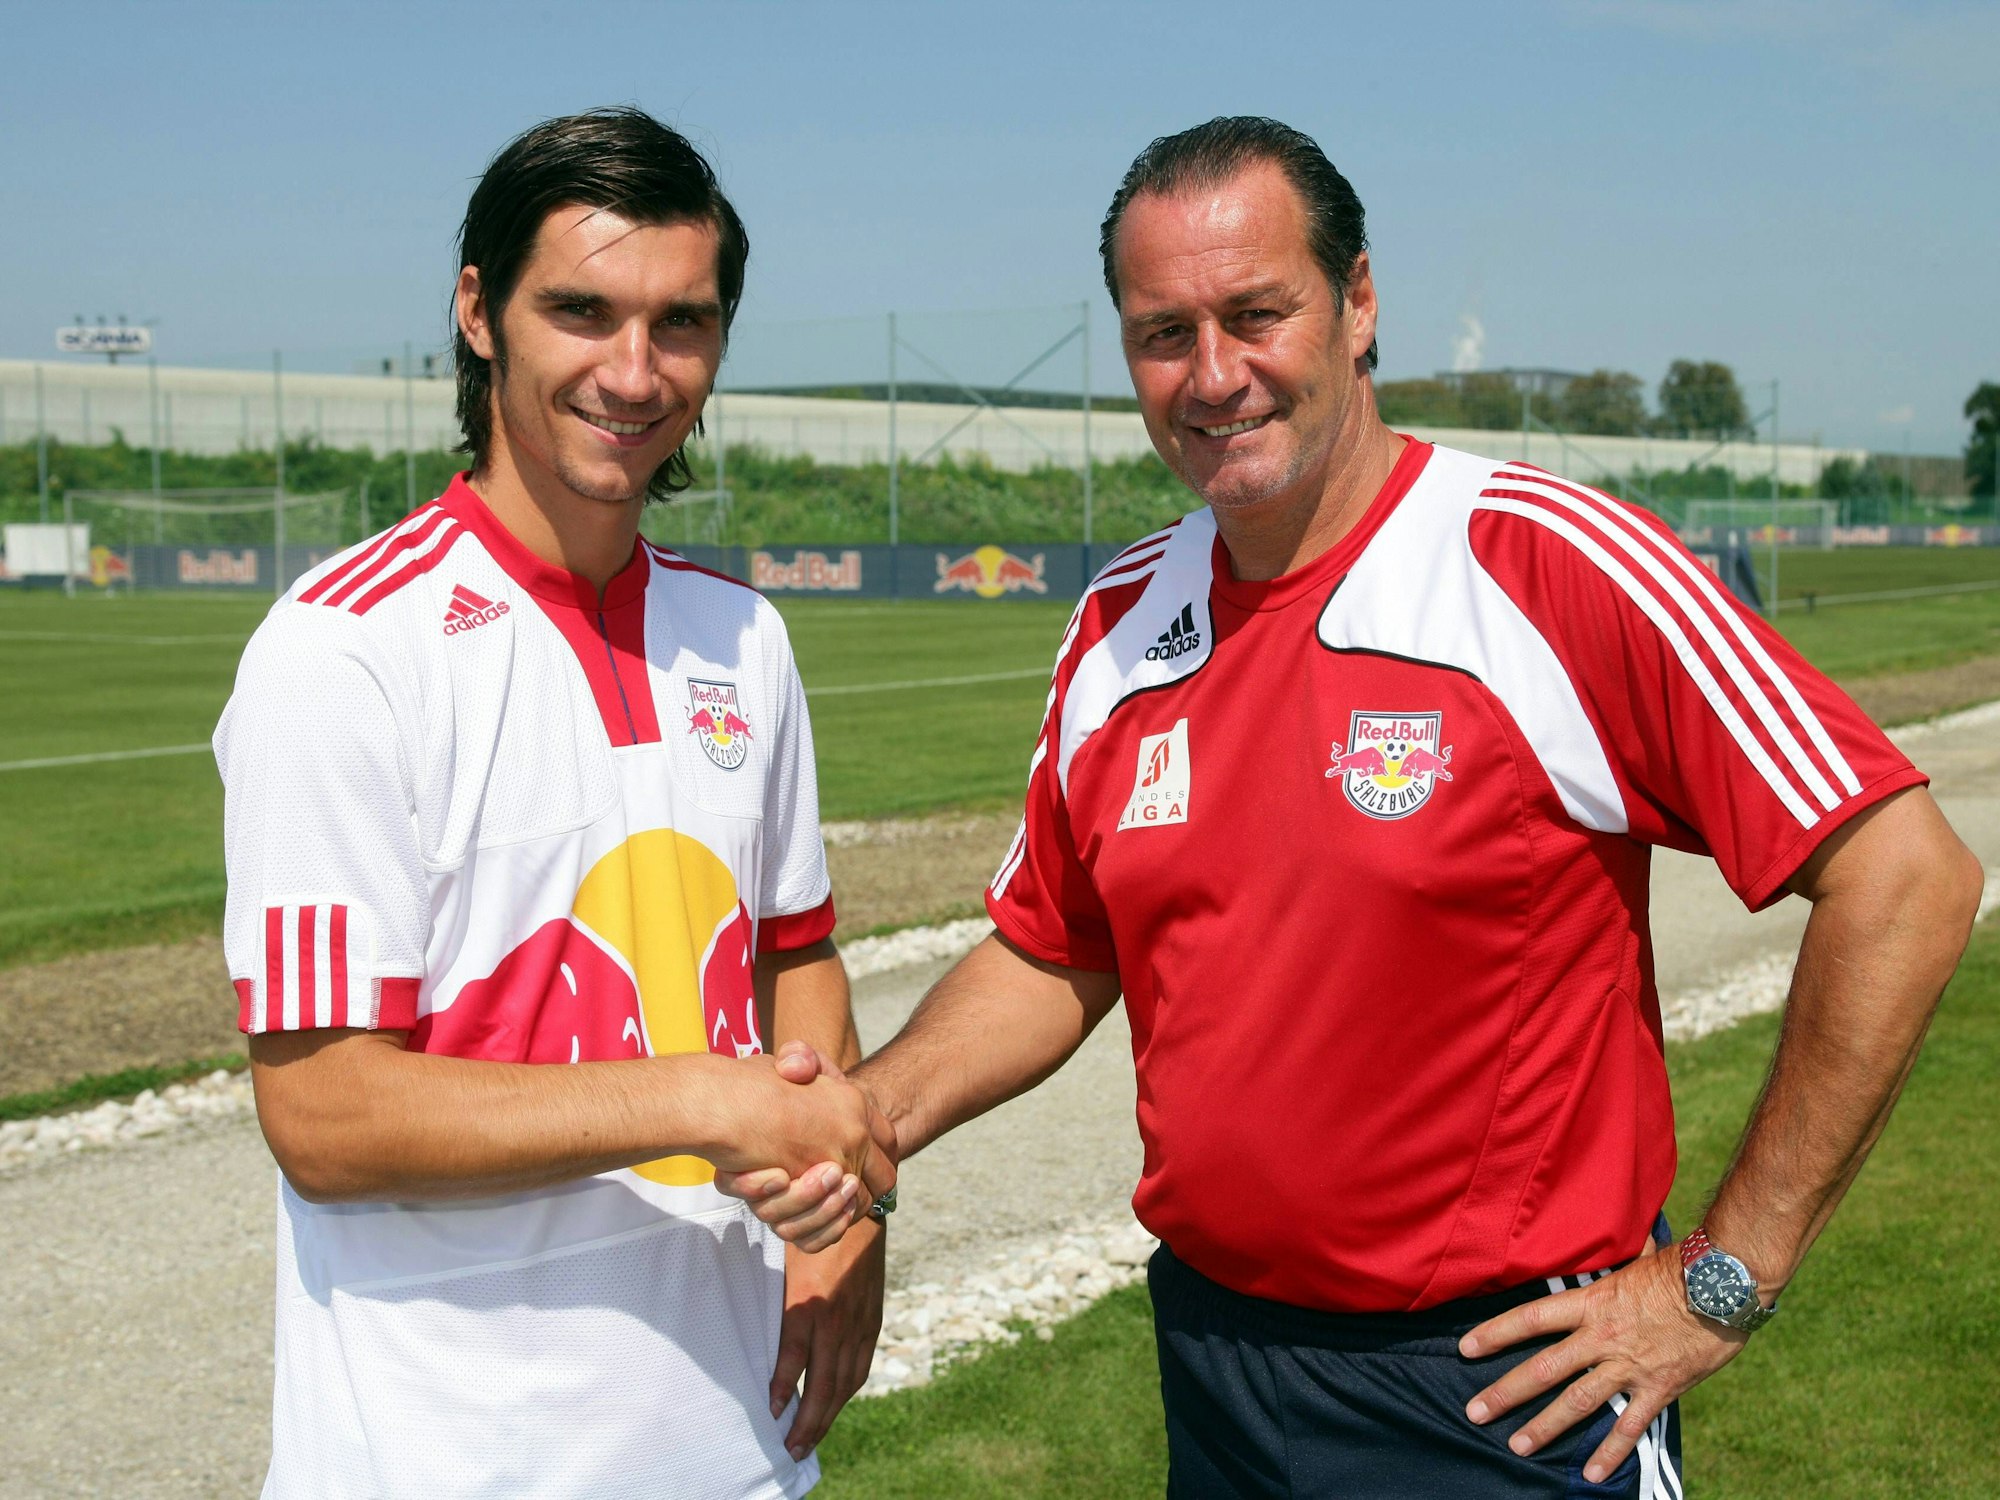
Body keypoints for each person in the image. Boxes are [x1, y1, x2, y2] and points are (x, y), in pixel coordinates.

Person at [720, 117, 1984, 1497]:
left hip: (1507, 1385)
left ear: (1359, 302)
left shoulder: (1538, 563)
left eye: (1258, 314)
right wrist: (874, 1112)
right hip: (1216, 1363)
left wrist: (1722, 1279)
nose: (1214, 376)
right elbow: (1059, 945)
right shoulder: (1120, 623)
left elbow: (1906, 876)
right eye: (1163, 333)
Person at [215, 107, 894, 1500]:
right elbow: (327, 1119)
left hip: (737, 1449)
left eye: (683, 324)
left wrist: (838, 1212)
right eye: (580, 312)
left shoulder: (744, 641)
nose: (634, 373)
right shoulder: (342, 650)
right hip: (445, 1463)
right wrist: (710, 1098)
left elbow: (795, 958)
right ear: (479, 313)